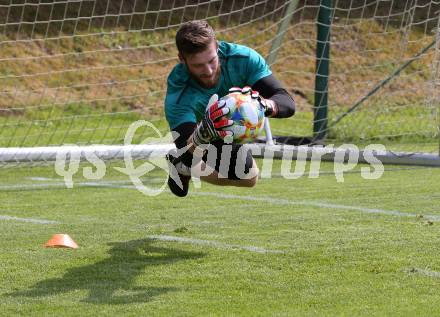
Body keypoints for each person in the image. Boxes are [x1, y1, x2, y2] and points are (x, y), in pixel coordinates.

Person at [164, 20, 295, 197]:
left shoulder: (243, 59)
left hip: (225, 128)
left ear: (217, 47)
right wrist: (202, 133)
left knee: (249, 179)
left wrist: (264, 105)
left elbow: (287, 102)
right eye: (198, 65)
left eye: (211, 61)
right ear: (182, 59)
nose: (208, 71)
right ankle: (182, 167)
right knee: (247, 173)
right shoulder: (179, 91)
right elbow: (187, 155)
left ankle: (183, 169)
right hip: (199, 134)